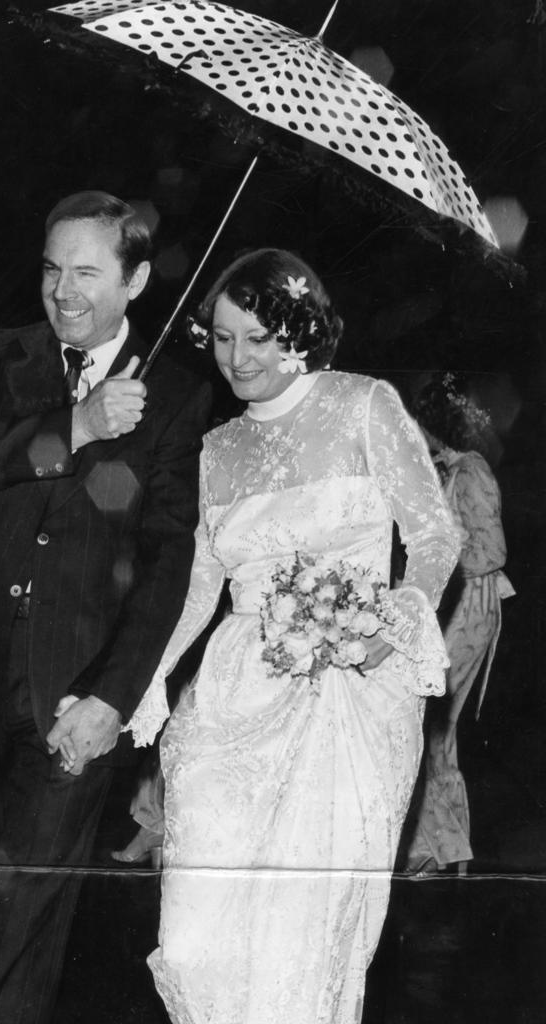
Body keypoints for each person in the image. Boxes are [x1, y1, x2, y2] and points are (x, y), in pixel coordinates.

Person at [122, 248, 460, 1024]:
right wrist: (147, 677)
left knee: (302, 929)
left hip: (348, 689)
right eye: (221, 337)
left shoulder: (365, 405)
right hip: (235, 692)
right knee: (196, 930)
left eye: (257, 338)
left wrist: (394, 623)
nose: (236, 358)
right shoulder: (218, 448)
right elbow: (202, 585)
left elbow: (436, 535)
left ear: (299, 331)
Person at [0, 190, 211, 1024]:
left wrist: (114, 695)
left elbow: (167, 559)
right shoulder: (0, 356)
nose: (63, 291)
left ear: (137, 279)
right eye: (51, 269)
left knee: (30, 916)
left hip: (73, 692)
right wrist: (73, 424)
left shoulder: (178, 397)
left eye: (86, 271)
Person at [403, 373, 515, 875]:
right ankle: (443, 845)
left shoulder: (470, 470)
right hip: (454, 602)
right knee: (432, 727)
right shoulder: (445, 469)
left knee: (431, 722)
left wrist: (437, 561)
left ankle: (437, 846)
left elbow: (490, 551)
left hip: (468, 603)